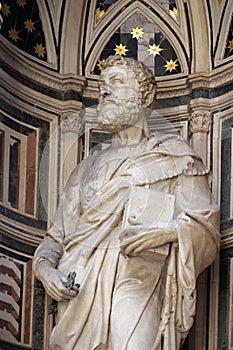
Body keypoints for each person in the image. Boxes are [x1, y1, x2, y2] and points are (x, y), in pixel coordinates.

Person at [33, 56, 220, 349]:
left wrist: (169, 232)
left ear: (144, 96)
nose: (104, 91)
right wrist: (46, 271)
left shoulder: (175, 156)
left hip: (139, 285)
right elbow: (54, 240)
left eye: (117, 82)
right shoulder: (85, 169)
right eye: (102, 85)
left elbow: (206, 226)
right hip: (79, 290)